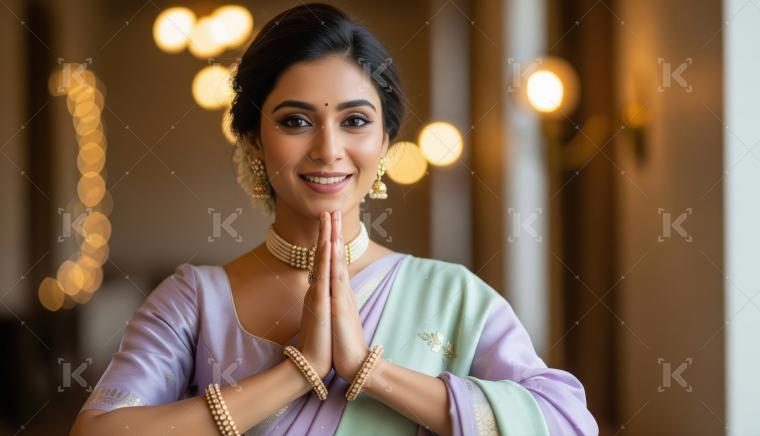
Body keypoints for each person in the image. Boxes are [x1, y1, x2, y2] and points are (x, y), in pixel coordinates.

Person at [70, 3, 598, 435]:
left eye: (355, 121)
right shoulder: (195, 302)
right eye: (296, 120)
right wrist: (294, 374)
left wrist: (371, 370)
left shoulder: (452, 295)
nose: (328, 148)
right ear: (254, 140)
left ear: (385, 141)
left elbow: (568, 423)